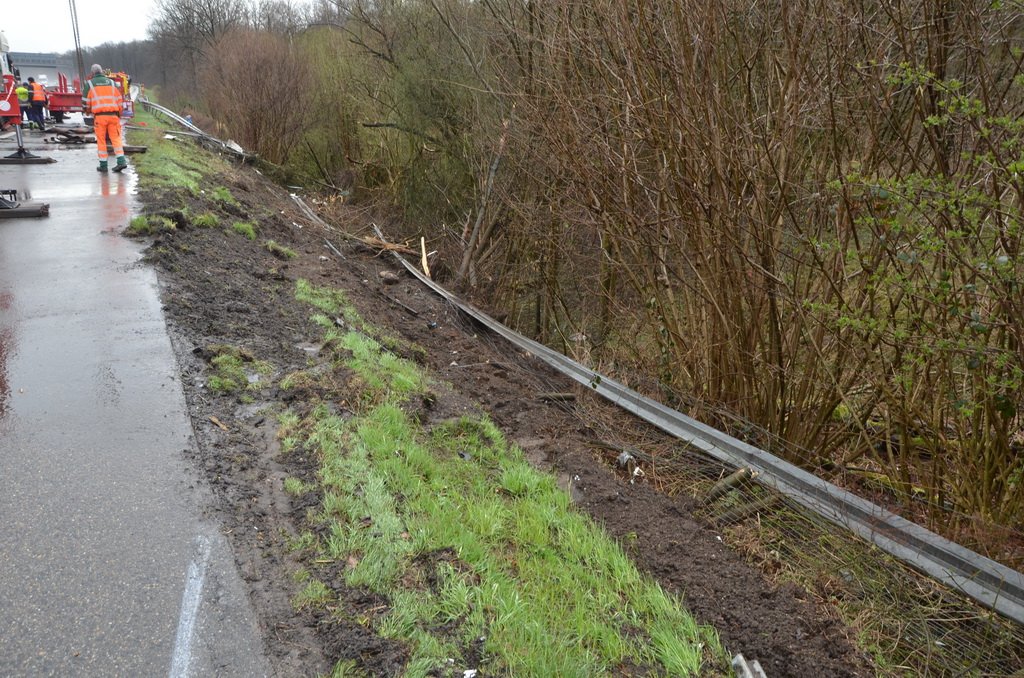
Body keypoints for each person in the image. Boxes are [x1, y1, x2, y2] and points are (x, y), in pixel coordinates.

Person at [82, 64, 127, 173]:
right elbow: (120, 100)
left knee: (101, 141)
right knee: (116, 139)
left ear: (92, 73)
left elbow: (85, 102)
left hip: (100, 118)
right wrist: (119, 113)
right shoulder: (112, 83)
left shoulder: (89, 84)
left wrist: (87, 112)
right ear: (102, 72)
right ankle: (121, 162)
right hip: (113, 116)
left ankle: (103, 165)